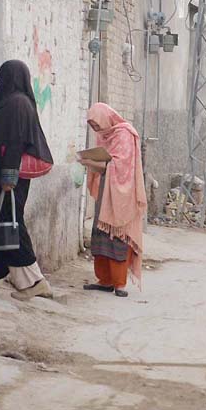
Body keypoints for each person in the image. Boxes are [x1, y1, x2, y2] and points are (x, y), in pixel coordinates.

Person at [0, 60, 54, 301]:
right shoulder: (11, 102)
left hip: (9, 179)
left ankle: (34, 281)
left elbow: (15, 143)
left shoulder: (18, 104)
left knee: (11, 225)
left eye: (3, 77)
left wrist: (8, 179)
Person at [78, 103, 147, 298]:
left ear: (105, 118)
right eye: (92, 125)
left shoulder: (124, 134)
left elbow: (120, 167)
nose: (96, 129)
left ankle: (119, 283)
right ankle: (105, 280)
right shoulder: (105, 136)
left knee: (117, 234)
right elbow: (106, 164)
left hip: (122, 194)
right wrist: (91, 161)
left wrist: (90, 162)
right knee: (101, 233)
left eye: (97, 124)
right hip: (106, 192)